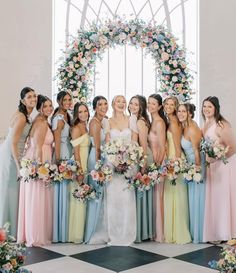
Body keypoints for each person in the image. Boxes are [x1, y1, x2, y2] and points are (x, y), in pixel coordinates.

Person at [17, 95, 54, 246]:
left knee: (35, 198)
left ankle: (32, 232)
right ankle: (35, 235)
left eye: (50, 105)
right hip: (38, 159)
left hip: (37, 157)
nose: (49, 109)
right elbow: (38, 146)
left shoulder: (41, 120)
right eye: (45, 106)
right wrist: (40, 169)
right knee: (37, 198)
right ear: (39, 108)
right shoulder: (41, 122)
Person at [0, 87, 37, 236]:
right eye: (29, 97)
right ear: (23, 100)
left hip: (12, 153)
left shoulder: (25, 115)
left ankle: (10, 228)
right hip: (11, 156)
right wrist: (18, 164)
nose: (33, 99)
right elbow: (13, 143)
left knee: (11, 191)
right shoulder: (22, 117)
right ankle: (7, 230)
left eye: (34, 96)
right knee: (10, 191)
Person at [202, 96, 236, 242]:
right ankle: (216, 231)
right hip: (213, 166)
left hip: (223, 165)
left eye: (209, 106)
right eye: (204, 106)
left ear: (216, 108)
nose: (206, 109)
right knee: (215, 198)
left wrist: (216, 157)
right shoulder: (206, 123)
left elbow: (233, 147)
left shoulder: (222, 124)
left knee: (223, 198)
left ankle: (226, 232)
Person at [106, 95, 138, 246]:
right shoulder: (107, 121)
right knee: (113, 199)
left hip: (129, 164)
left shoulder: (131, 119)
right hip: (112, 165)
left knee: (126, 198)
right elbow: (107, 145)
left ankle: (127, 233)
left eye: (123, 101)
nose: (121, 103)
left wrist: (128, 160)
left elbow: (135, 142)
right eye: (118, 101)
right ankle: (113, 233)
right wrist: (114, 161)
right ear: (113, 104)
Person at [163, 96, 191, 244]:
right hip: (171, 159)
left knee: (176, 195)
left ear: (176, 107)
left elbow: (178, 147)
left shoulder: (174, 123)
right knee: (172, 195)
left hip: (175, 160)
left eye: (171, 104)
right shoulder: (170, 120)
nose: (168, 106)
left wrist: (176, 165)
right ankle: (172, 230)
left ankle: (179, 231)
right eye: (166, 103)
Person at [177, 103, 205, 243]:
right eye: (179, 111)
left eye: (184, 111)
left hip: (196, 165)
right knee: (192, 199)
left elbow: (196, 150)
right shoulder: (184, 126)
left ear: (190, 114)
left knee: (198, 198)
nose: (181, 113)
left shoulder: (193, 128)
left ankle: (200, 233)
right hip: (189, 166)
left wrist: (197, 169)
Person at [128, 95, 154, 242]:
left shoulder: (140, 121)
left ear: (141, 107)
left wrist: (143, 164)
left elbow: (143, 144)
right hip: (136, 157)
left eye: (136, 105)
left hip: (143, 157)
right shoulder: (132, 118)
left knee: (141, 194)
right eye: (131, 103)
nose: (132, 106)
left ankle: (142, 231)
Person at [84, 96, 109, 243]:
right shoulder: (94, 123)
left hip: (100, 157)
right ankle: (93, 231)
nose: (103, 107)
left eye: (105, 104)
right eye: (100, 104)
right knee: (96, 192)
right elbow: (98, 148)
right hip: (96, 158)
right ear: (94, 107)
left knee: (100, 192)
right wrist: (99, 167)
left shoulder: (102, 121)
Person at [52, 91, 73, 242]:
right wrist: (58, 161)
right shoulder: (59, 118)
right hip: (63, 154)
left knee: (67, 192)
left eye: (69, 99)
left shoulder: (67, 115)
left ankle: (67, 227)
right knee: (62, 192)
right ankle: (60, 230)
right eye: (64, 100)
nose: (67, 102)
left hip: (69, 152)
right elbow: (57, 140)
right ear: (59, 101)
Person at [69, 102, 90, 243]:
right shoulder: (76, 128)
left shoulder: (86, 126)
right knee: (78, 199)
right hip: (80, 162)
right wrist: (80, 170)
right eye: (80, 112)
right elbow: (76, 152)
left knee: (84, 197)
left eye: (85, 111)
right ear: (76, 114)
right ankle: (76, 234)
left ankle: (83, 230)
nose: (83, 114)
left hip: (86, 161)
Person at [147, 94, 167, 242]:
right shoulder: (152, 121)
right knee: (155, 197)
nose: (150, 106)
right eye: (149, 103)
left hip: (159, 161)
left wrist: (157, 167)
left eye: (153, 104)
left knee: (159, 196)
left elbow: (162, 146)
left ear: (159, 106)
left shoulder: (159, 122)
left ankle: (160, 232)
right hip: (153, 160)